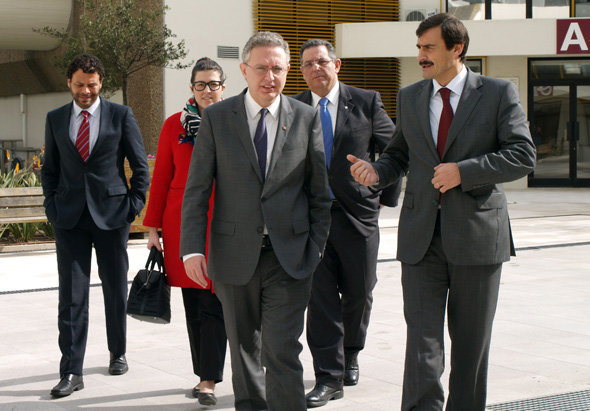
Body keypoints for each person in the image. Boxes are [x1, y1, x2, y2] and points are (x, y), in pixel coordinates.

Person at [349, 13, 536, 411]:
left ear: (457, 48)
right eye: (418, 47)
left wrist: (464, 172)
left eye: (429, 47)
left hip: (477, 236)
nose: (421, 55)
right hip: (420, 238)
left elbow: (523, 154)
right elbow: (399, 155)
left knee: (470, 343)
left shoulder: (498, 92)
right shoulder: (410, 96)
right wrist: (376, 172)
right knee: (422, 341)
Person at [179, 31, 332, 411]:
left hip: (289, 257)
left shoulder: (306, 117)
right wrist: (192, 250)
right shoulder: (217, 118)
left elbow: (319, 193)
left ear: (287, 71)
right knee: (244, 350)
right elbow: (197, 189)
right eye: (261, 68)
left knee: (282, 349)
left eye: (277, 68)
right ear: (244, 70)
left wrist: (315, 249)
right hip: (233, 255)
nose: (270, 77)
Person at [291, 39, 401, 408]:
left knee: (360, 292)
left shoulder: (366, 101)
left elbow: (394, 151)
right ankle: (328, 377)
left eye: (321, 61)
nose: (315, 69)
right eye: (307, 64)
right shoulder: (293, 107)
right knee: (320, 299)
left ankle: (351, 352)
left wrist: (383, 195)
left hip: (358, 215)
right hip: (313, 220)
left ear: (336, 64)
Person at [41, 53, 150, 397]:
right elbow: (50, 169)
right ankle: (72, 371)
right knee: (71, 296)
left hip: (113, 216)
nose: (85, 91)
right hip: (69, 218)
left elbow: (140, 166)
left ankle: (118, 352)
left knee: (115, 288)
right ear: (69, 83)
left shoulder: (121, 115)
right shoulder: (56, 118)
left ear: (101, 82)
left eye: (91, 85)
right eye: (79, 85)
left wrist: (133, 207)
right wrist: (51, 206)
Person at [143, 57, 228, 407]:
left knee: (215, 301)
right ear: (192, 87)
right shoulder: (173, 125)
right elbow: (162, 177)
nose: (207, 90)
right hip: (183, 225)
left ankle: (209, 378)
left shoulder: (235, 121)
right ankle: (204, 375)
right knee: (194, 302)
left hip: (224, 224)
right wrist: (152, 228)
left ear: (223, 87)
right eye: (200, 84)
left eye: (213, 84)